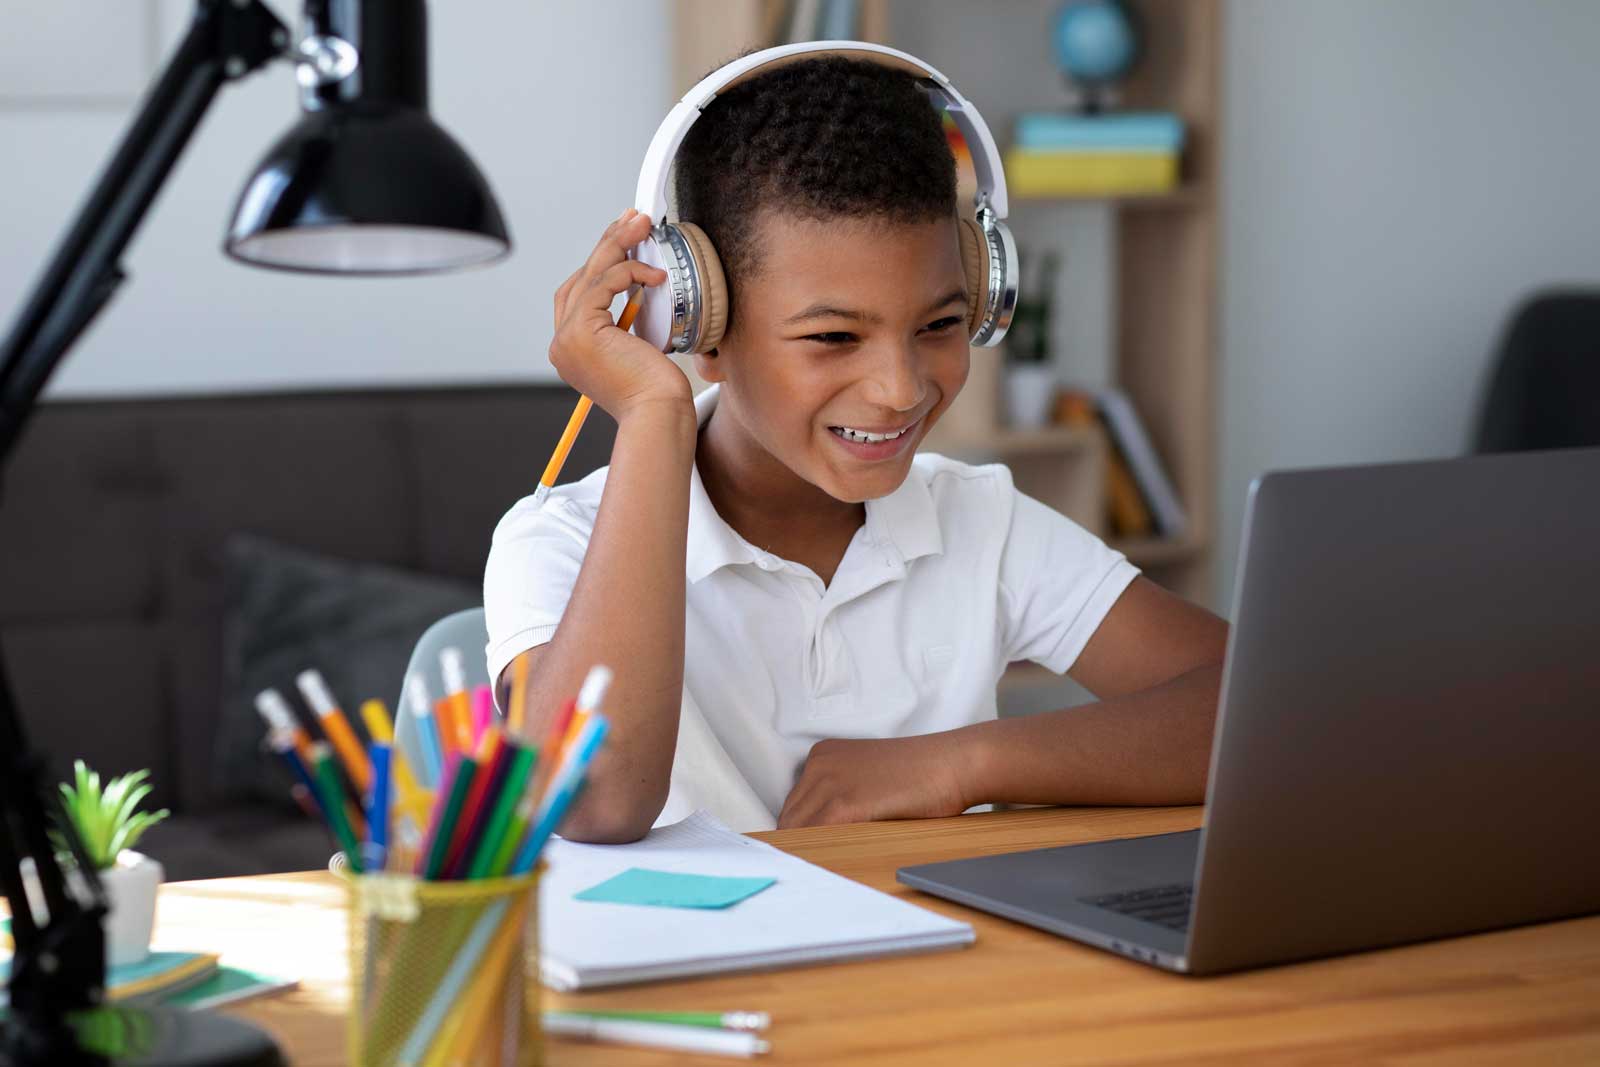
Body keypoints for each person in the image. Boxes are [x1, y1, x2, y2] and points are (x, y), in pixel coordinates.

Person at [484, 55, 1227, 842]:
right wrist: (651, 413)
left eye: (939, 325)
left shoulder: (980, 520)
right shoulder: (555, 542)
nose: (900, 389)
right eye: (834, 337)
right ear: (697, 327)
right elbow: (597, 803)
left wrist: (960, 762)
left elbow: (1271, 703)